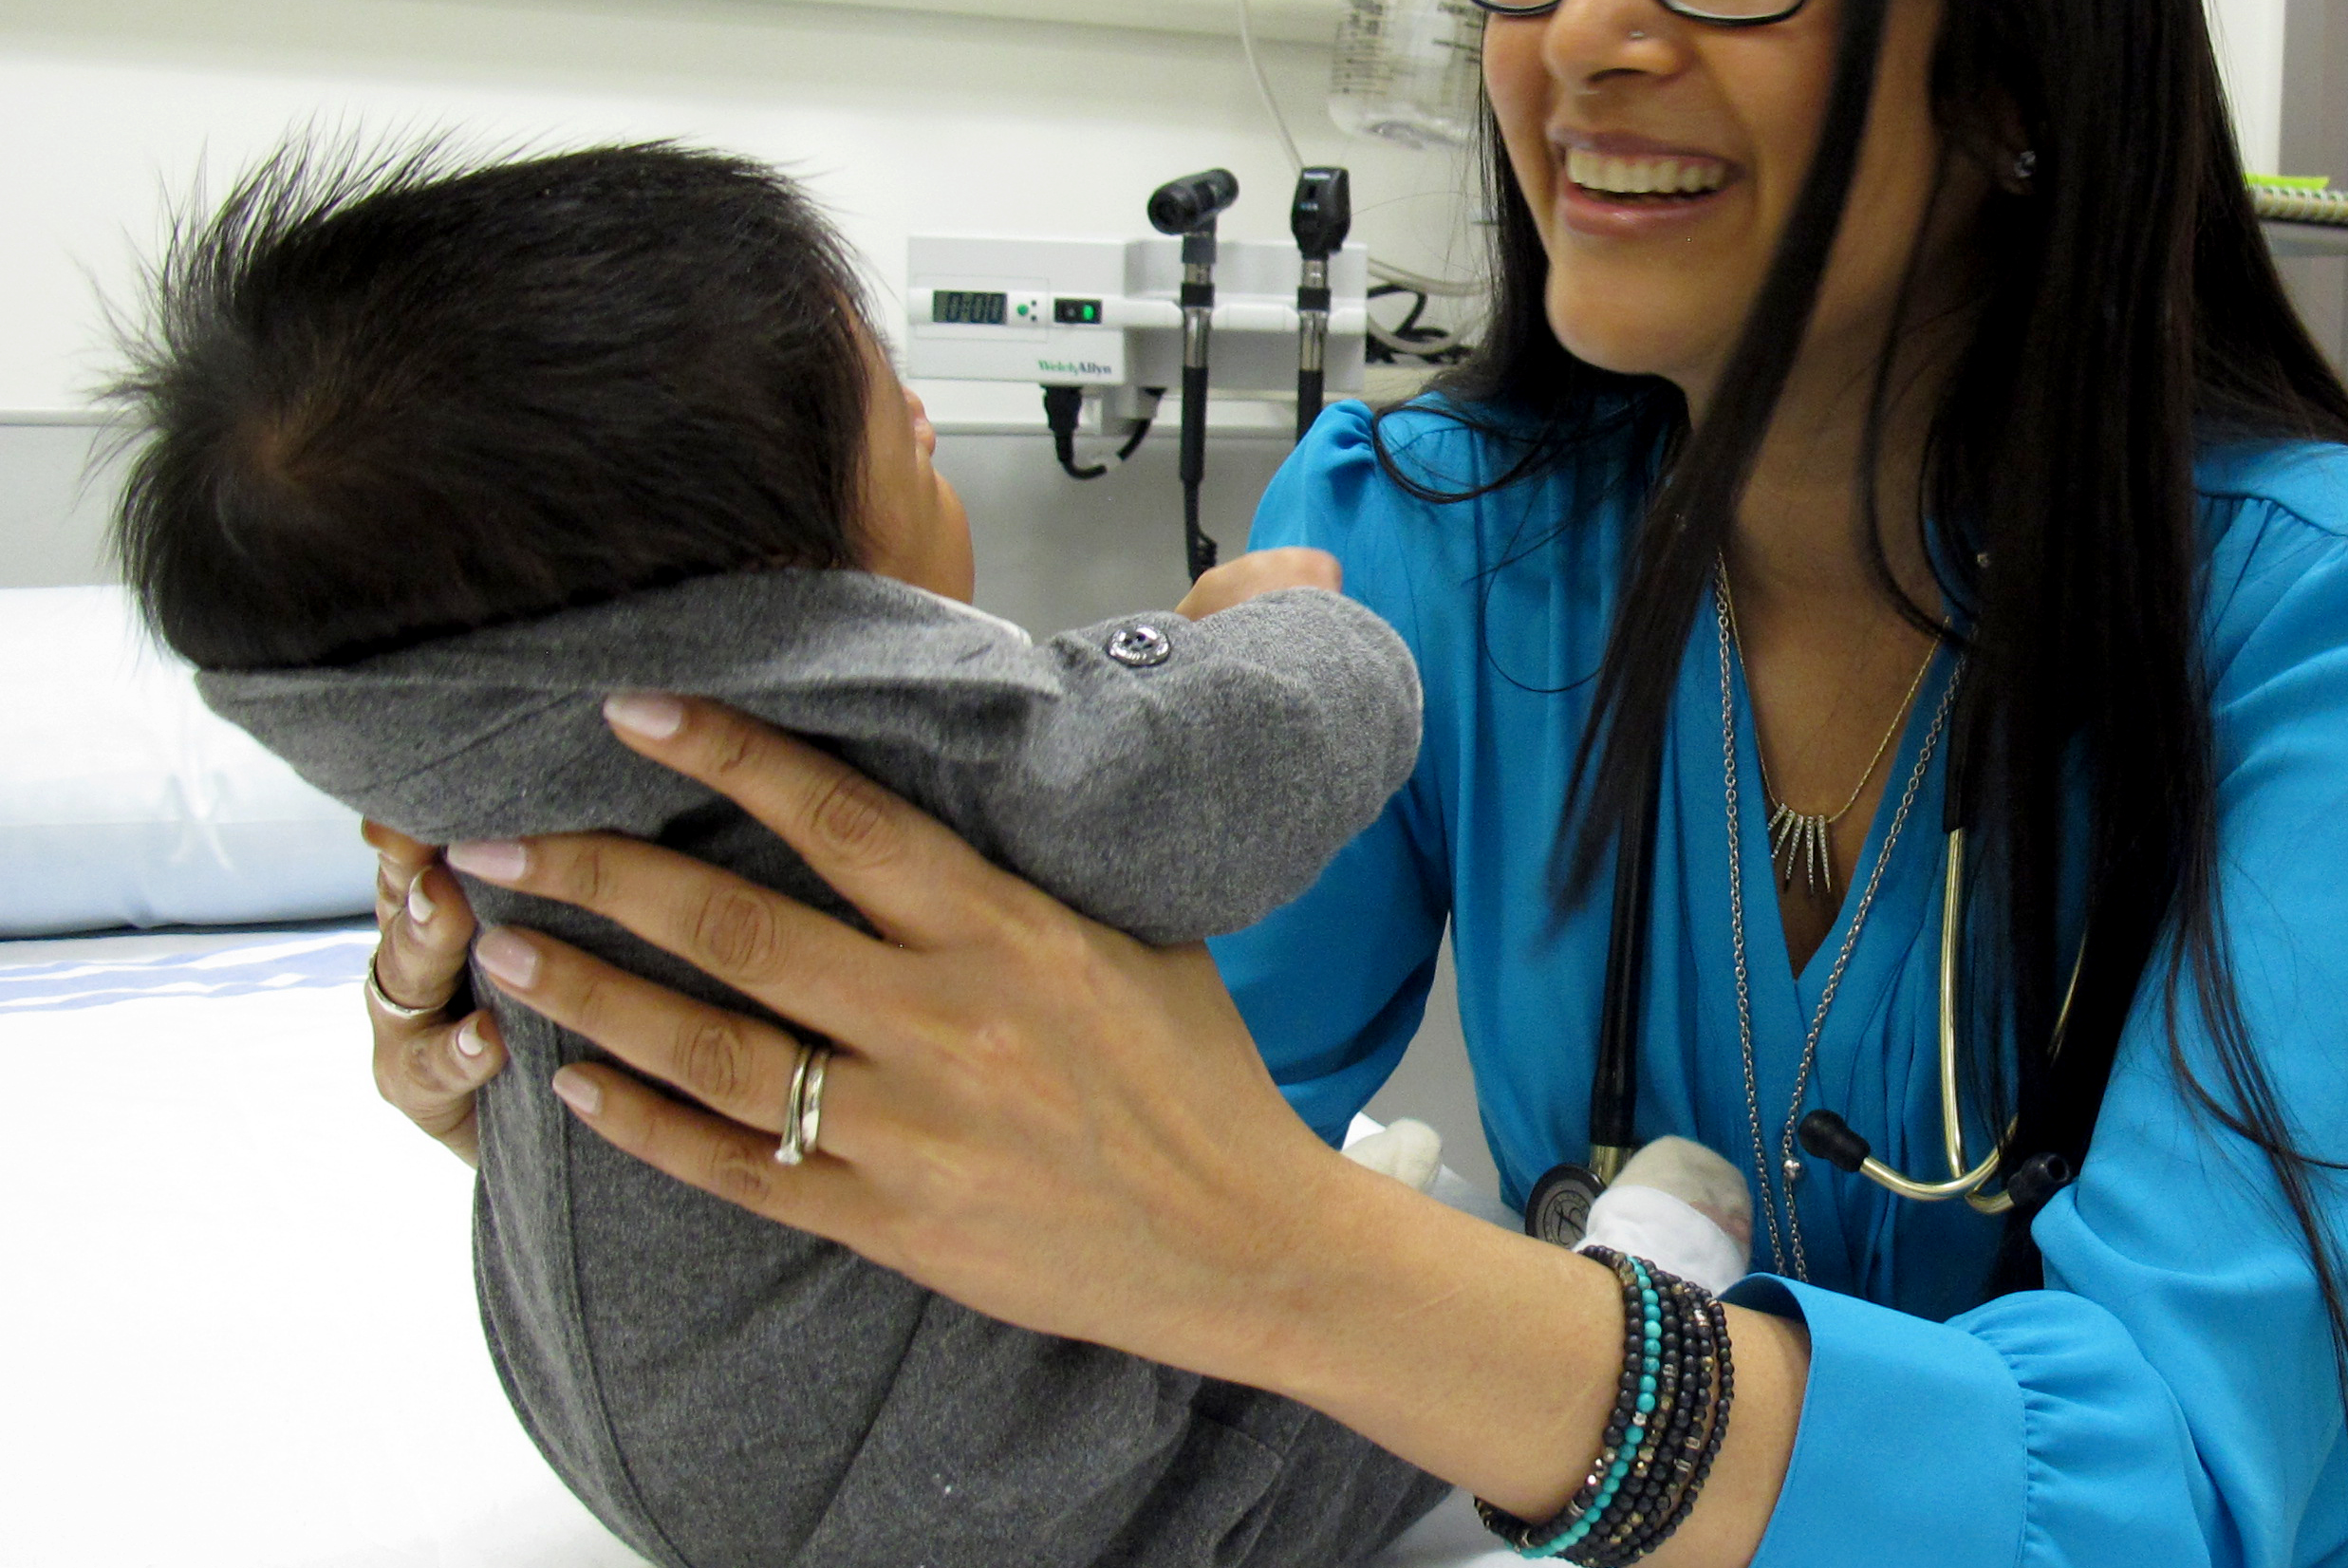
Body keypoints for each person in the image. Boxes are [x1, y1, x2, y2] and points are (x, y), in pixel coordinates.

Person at [356, 0, 2348, 1561]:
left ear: (2021, 52)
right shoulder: (1426, 541)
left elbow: (2183, 1496)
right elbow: (1100, 1137)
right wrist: (648, 1099)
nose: (1575, 32)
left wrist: (1308, 1267)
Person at [108, 140, 1449, 1568]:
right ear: (774, 594)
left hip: (624, 1431)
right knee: (1380, 1409)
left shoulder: (482, 774)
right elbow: (1223, 780)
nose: (927, 418)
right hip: (982, 1490)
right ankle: (1623, 1269)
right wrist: (1271, 627)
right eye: (883, 401)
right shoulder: (895, 747)